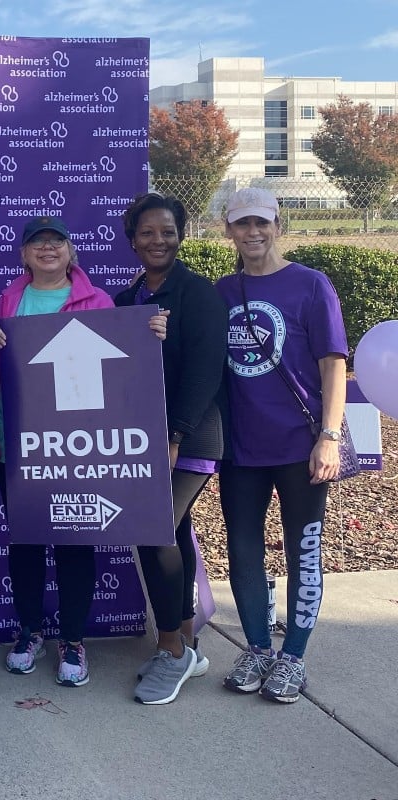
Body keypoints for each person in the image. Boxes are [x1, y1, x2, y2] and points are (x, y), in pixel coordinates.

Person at [0, 216, 166, 688]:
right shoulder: (7, 301)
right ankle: (29, 631)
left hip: (78, 446)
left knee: (74, 540)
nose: (47, 249)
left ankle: (73, 639)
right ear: (23, 254)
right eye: (37, 243)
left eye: (56, 241)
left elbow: (125, 365)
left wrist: (150, 334)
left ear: (70, 251)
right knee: (24, 540)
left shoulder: (99, 301)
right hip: (18, 444)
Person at [214, 188, 348, 703]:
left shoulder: (311, 285)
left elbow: (332, 363)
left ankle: (293, 656)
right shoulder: (223, 291)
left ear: (278, 225)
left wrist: (329, 436)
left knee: (303, 552)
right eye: (242, 225)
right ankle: (256, 648)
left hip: (301, 445)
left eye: (261, 223)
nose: (252, 233)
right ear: (228, 231)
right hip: (241, 448)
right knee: (243, 550)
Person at [114, 194, 228, 705]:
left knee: (153, 528)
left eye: (167, 231)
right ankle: (186, 642)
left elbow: (206, 373)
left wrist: (174, 436)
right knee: (172, 533)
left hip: (189, 437)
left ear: (181, 235)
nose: (157, 241)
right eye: (147, 233)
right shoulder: (127, 300)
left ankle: (171, 651)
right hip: (143, 440)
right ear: (132, 239)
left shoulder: (198, 295)